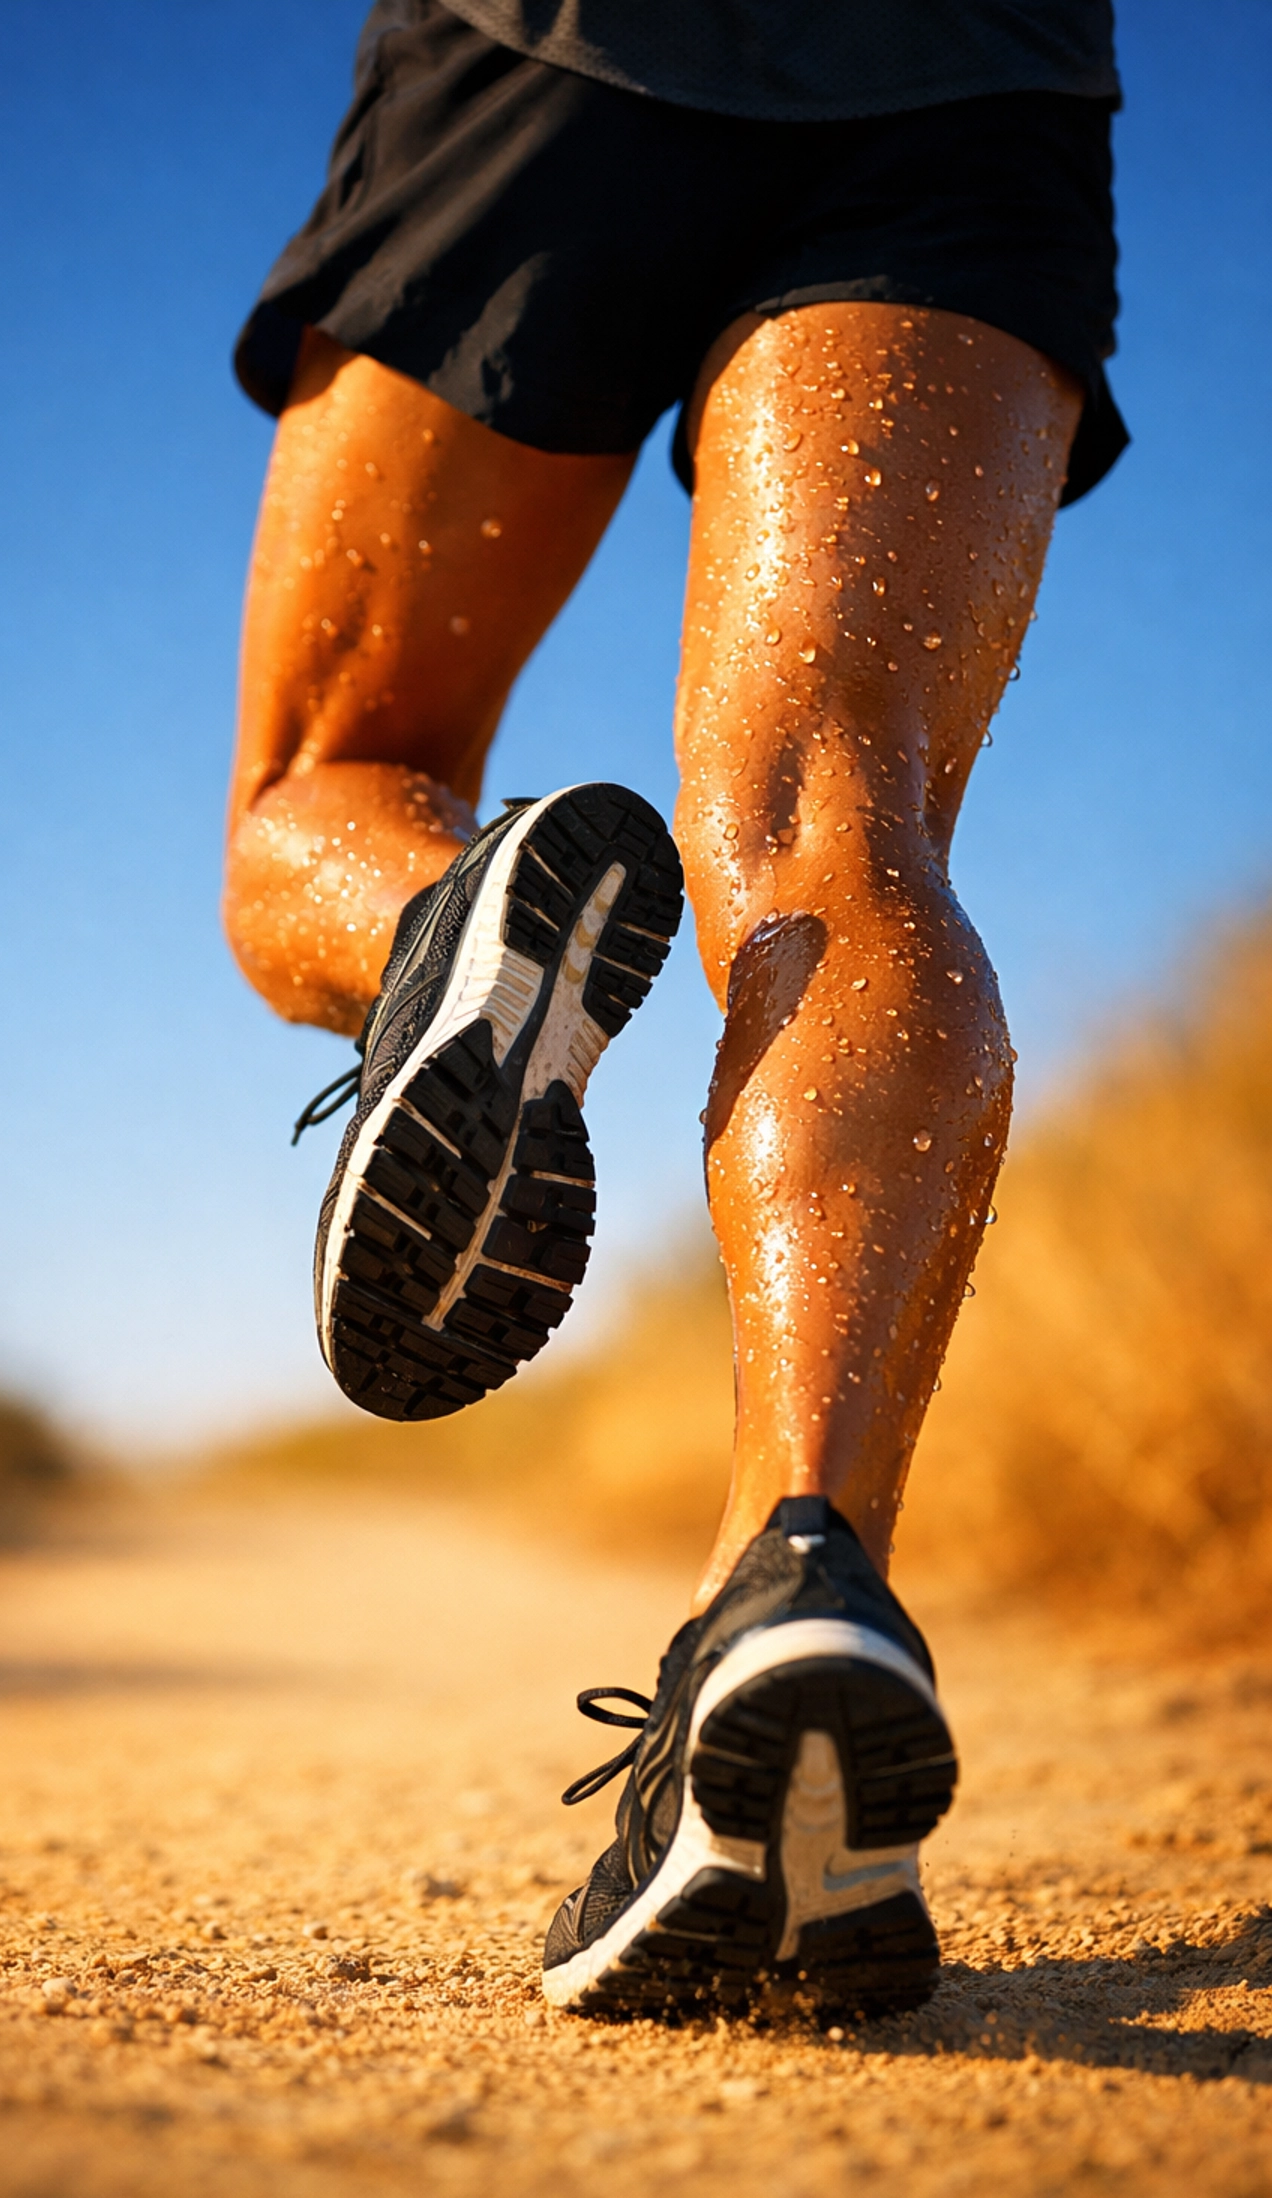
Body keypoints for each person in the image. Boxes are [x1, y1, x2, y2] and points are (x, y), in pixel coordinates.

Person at [222, 0, 1124, 2019]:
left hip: (550, 45)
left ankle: (443, 936)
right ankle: (801, 1584)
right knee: (839, 834)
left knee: (330, 784)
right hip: (979, 72)